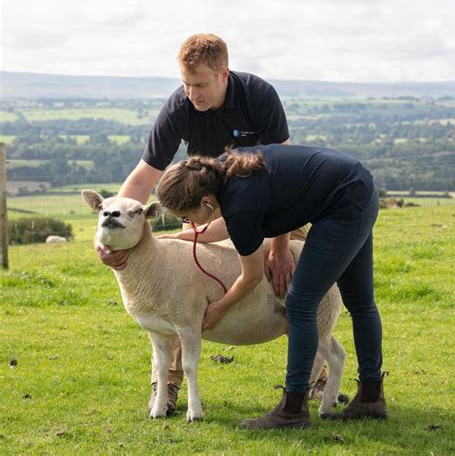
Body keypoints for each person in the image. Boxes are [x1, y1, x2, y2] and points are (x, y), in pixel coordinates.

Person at [96, 33, 315, 415]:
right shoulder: (179, 107)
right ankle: (166, 386)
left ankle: (316, 372)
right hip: (211, 205)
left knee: (300, 279)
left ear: (223, 74)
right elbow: (146, 175)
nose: (191, 94)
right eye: (185, 84)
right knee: (178, 282)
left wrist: (279, 246)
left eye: (199, 85)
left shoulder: (258, 96)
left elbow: (284, 178)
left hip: (274, 204)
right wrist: (109, 235)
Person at [156, 144, 386, 429]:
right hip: (357, 185)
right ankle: (371, 397)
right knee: (361, 302)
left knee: (300, 302)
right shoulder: (217, 172)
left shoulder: (239, 201)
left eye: (186, 216)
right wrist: (182, 236)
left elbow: (251, 277)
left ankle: (293, 411)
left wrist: (219, 308)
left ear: (205, 201)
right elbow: (231, 223)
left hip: (344, 204)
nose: (188, 222)